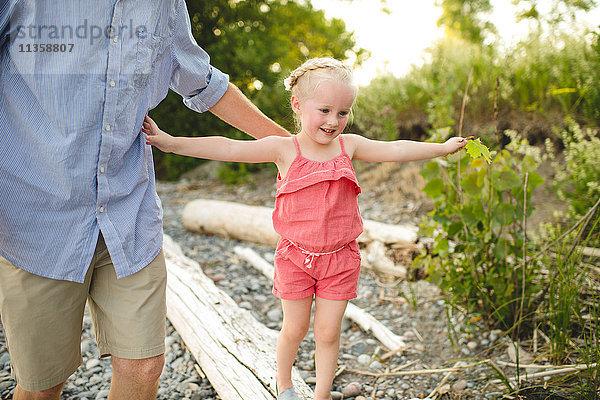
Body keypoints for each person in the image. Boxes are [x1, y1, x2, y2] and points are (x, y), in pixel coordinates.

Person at [0, 1, 289, 399]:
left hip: (127, 213)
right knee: (41, 386)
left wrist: (289, 147)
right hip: (35, 216)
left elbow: (203, 81)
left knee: (144, 365)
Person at [144, 56, 467, 400]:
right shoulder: (284, 149)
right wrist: (172, 142)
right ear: (298, 105)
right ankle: (284, 385)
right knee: (295, 328)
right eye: (325, 110)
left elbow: (394, 149)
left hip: (340, 260)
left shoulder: (349, 146)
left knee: (328, 332)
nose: (334, 121)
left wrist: (441, 149)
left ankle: (322, 394)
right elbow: (228, 147)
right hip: (295, 259)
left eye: (343, 112)